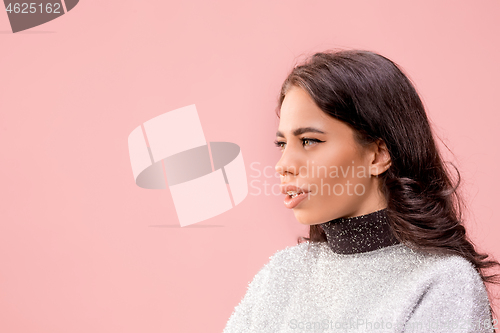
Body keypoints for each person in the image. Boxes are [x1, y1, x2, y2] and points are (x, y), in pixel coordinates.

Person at [222, 50, 499, 333]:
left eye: (308, 141)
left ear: (378, 155)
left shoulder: (442, 282)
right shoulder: (281, 275)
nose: (284, 165)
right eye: (282, 144)